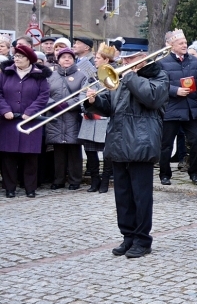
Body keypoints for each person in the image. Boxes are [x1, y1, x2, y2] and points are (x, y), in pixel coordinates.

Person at [84, 51, 169, 258]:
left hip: (141, 142)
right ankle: (128, 236)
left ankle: (142, 240)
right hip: (118, 142)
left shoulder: (158, 75)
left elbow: (152, 98)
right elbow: (109, 106)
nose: (125, 62)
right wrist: (94, 102)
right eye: (124, 59)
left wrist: (131, 77)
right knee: (122, 196)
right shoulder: (119, 78)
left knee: (141, 196)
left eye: (131, 59)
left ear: (143, 59)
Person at [157, 29, 197, 185]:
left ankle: (194, 172)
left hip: (190, 109)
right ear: (172, 45)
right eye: (180, 43)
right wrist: (175, 91)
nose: (184, 45)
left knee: (196, 142)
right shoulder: (163, 62)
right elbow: (159, 84)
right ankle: (164, 174)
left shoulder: (193, 61)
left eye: (185, 42)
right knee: (166, 145)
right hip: (171, 109)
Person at [0, 44, 52, 198]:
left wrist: (31, 112)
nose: (17, 59)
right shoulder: (6, 73)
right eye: (15, 56)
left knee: (30, 157)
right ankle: (9, 188)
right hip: (8, 121)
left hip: (30, 121)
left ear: (29, 59)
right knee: (8, 156)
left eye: (21, 56)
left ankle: (30, 188)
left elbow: (43, 96)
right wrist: (5, 110)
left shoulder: (39, 76)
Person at [45, 47, 87, 190]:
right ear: (58, 60)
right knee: (58, 151)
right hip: (55, 116)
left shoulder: (81, 76)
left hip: (72, 116)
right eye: (63, 57)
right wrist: (53, 105)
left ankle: (75, 180)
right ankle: (59, 179)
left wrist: (67, 105)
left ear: (74, 60)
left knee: (74, 150)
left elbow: (83, 94)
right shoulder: (50, 75)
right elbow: (44, 94)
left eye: (70, 57)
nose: (67, 59)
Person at [79, 43, 117, 193]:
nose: (94, 60)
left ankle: (105, 180)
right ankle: (94, 180)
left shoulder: (114, 74)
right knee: (90, 150)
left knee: (107, 152)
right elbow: (82, 92)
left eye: (98, 58)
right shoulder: (90, 76)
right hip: (90, 118)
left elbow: (113, 95)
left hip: (105, 119)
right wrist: (85, 107)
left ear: (106, 60)